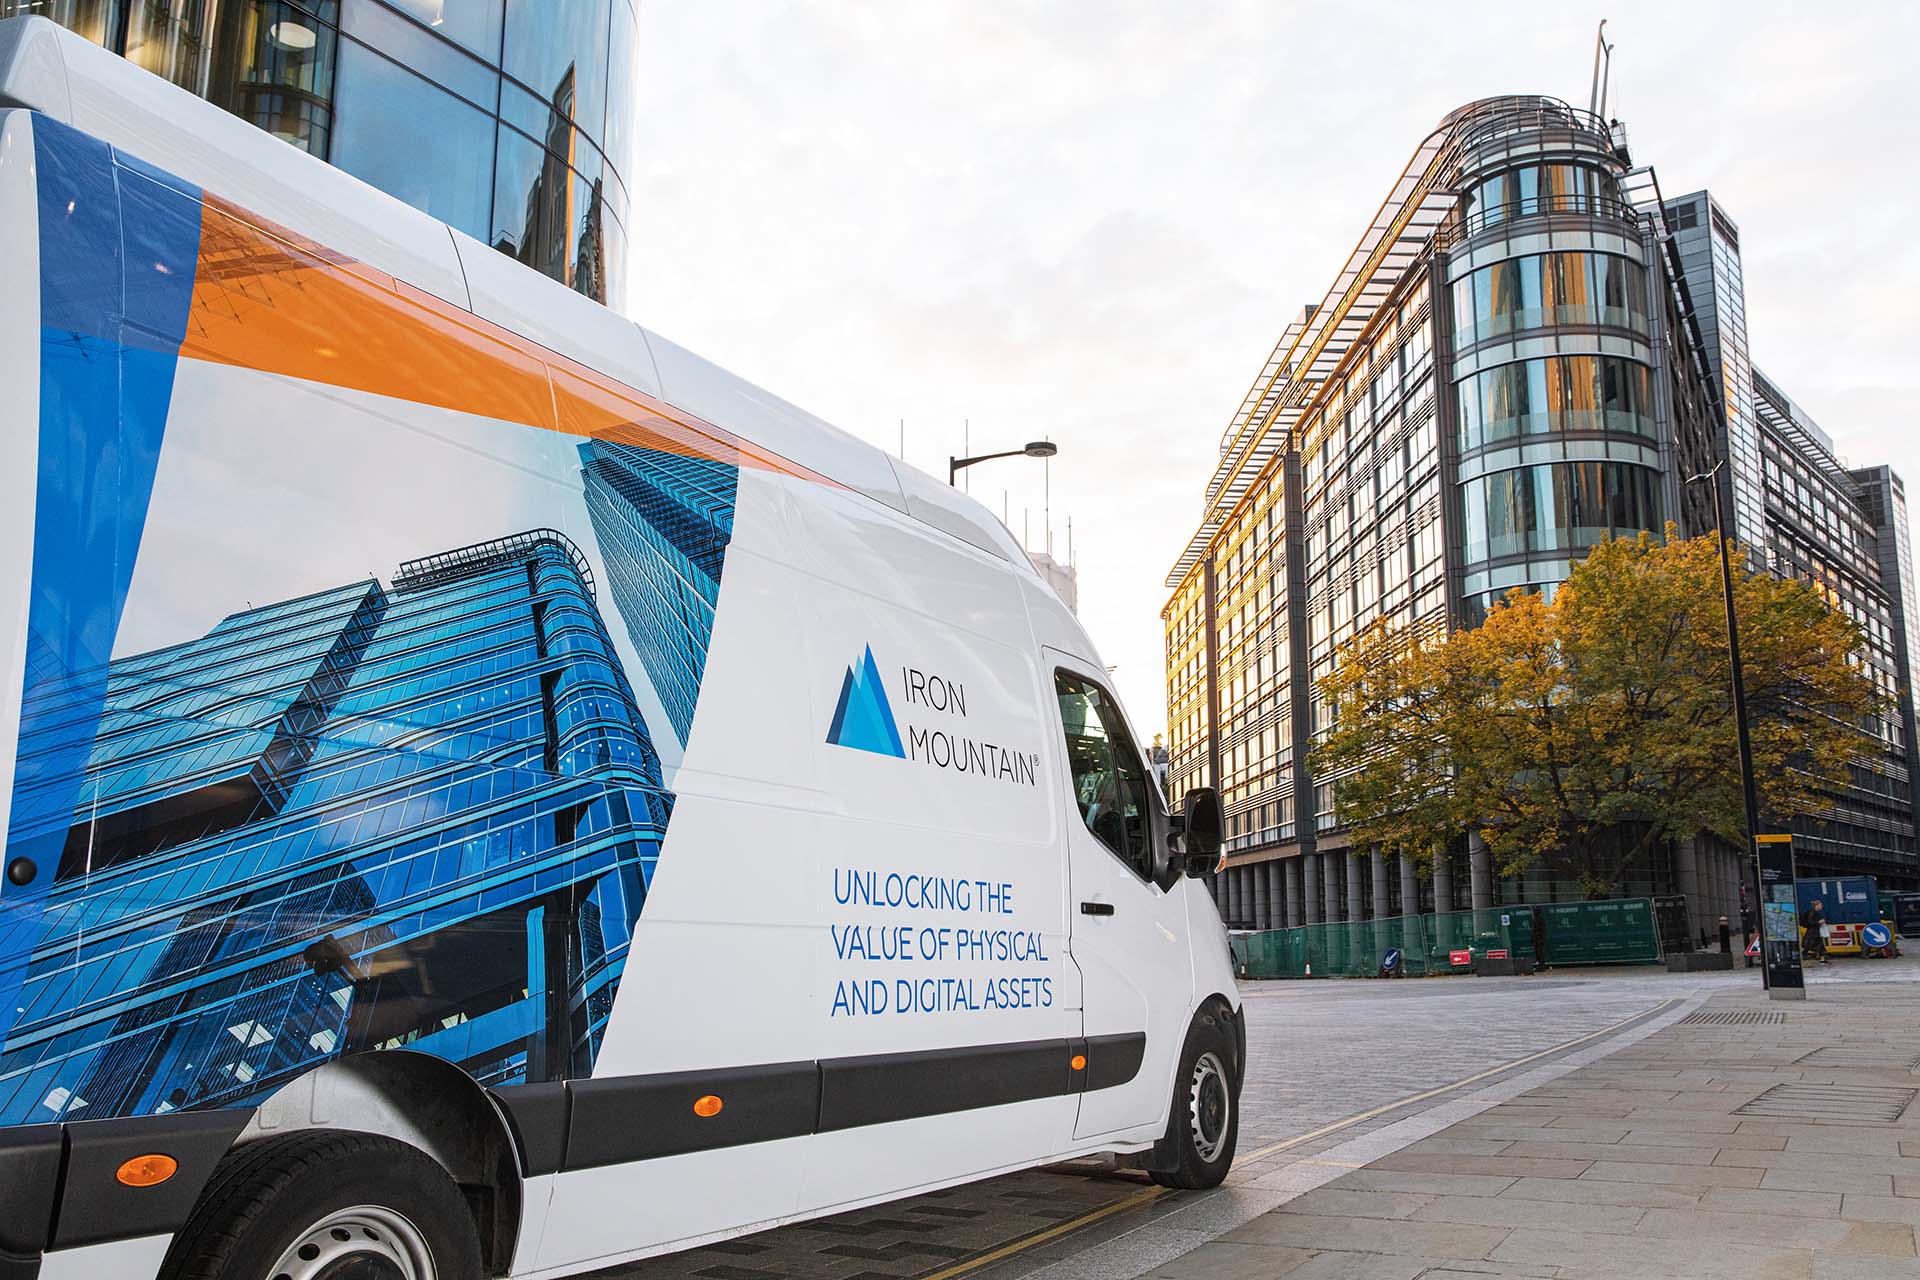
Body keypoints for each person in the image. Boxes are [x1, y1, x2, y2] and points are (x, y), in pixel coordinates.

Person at [1801, 898, 1830, 965]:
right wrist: (1819, 922)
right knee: (1813, 946)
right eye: (1820, 905)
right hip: (1812, 933)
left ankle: (1822, 960)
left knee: (1818, 946)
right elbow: (1811, 922)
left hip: (1815, 932)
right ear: (1816, 905)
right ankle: (1803, 955)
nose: (1821, 906)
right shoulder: (1812, 912)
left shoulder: (1816, 912)